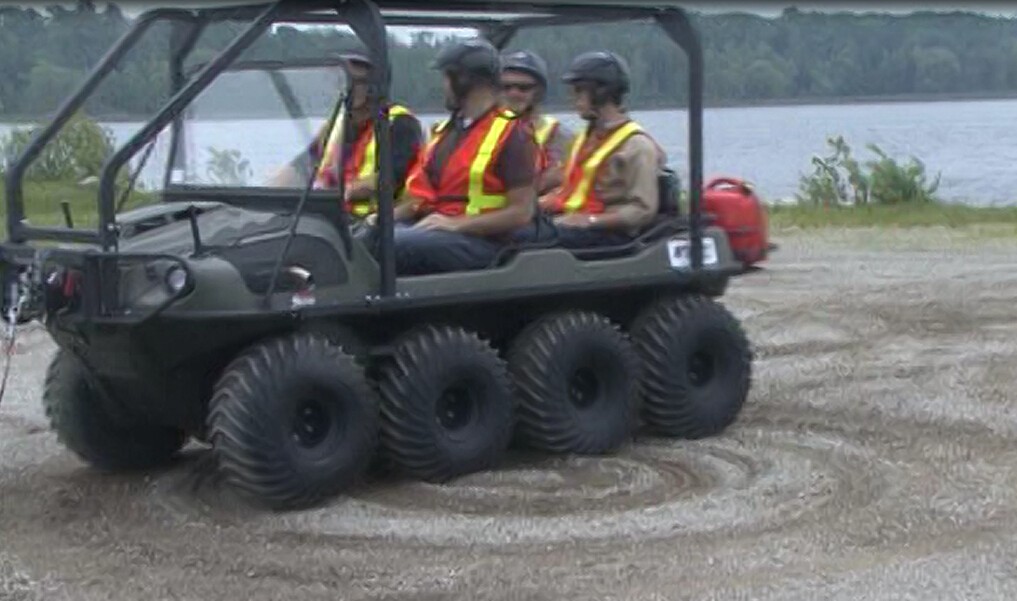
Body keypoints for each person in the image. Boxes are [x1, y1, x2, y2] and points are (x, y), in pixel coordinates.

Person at [390, 38, 540, 275]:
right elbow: (421, 194)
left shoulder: (513, 134)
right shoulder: (448, 132)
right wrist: (381, 219)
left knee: (395, 246)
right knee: (368, 237)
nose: (444, 86)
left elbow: (521, 213)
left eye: (447, 78)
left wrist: (455, 225)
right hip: (443, 227)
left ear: (465, 80)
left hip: (487, 242)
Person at [268, 52, 424, 219]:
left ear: (375, 86)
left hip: (376, 223)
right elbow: (300, 167)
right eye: (343, 80)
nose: (347, 87)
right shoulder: (335, 124)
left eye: (357, 82)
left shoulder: (399, 123)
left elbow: (391, 179)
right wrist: (267, 195)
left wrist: (343, 191)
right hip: (332, 217)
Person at [538, 51, 665, 249]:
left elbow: (642, 210)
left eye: (579, 91)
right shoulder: (584, 139)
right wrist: (536, 205)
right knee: (514, 230)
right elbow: (570, 190)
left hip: (609, 234)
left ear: (601, 92)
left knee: (527, 239)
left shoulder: (637, 146)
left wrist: (591, 221)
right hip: (571, 224)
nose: (573, 99)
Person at [499, 50, 574, 195]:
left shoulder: (560, 136)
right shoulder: (481, 132)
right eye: (506, 87)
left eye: (524, 88)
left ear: (539, 91)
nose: (514, 93)